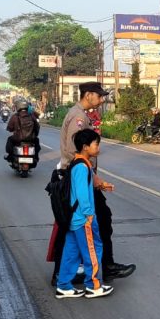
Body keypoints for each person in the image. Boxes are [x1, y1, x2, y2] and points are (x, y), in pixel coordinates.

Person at [53, 81, 135, 285]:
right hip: (79, 179)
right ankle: (102, 268)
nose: (101, 100)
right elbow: (77, 154)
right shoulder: (79, 117)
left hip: (81, 177)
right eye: (99, 96)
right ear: (88, 95)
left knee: (75, 226)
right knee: (94, 222)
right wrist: (96, 180)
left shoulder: (80, 114)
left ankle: (66, 274)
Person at [56, 128, 114, 299]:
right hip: (83, 218)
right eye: (96, 144)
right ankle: (94, 285)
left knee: (71, 252)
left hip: (74, 218)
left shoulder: (77, 163)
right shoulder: (82, 167)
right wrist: (89, 215)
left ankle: (64, 285)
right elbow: (82, 194)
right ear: (85, 146)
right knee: (93, 249)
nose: (98, 148)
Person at [6, 97, 40, 164]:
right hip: (31, 139)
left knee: (9, 140)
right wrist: (34, 135)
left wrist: (11, 129)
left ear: (18, 107)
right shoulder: (32, 116)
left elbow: (9, 128)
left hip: (18, 139)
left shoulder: (15, 117)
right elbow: (37, 127)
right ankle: (36, 157)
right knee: (37, 143)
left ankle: (10, 156)